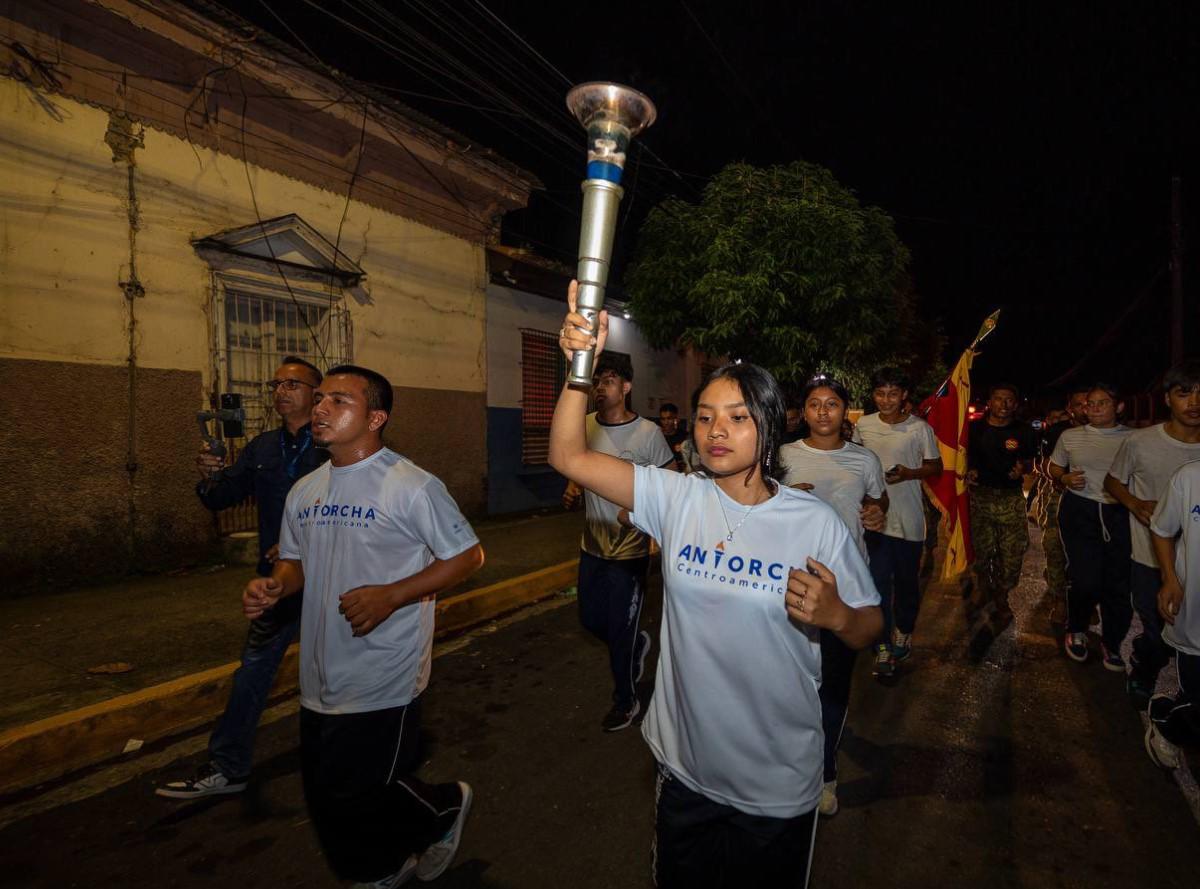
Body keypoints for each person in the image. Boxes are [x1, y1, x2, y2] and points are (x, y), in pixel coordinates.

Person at [550, 287, 880, 889]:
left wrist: (835, 615)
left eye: (736, 417)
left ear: (770, 423)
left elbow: (868, 626)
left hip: (775, 782)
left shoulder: (813, 523)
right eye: (704, 416)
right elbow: (570, 456)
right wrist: (579, 369)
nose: (714, 431)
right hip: (683, 768)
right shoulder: (677, 498)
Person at [243, 365, 484, 886]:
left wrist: (393, 595)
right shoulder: (305, 490)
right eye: (321, 399)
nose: (321, 409)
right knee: (327, 792)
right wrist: (276, 586)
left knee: (361, 789)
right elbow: (294, 561)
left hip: (384, 667)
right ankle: (387, 865)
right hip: (319, 669)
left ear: (376, 417)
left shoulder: (411, 485)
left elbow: (467, 557)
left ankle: (441, 810)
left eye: (339, 400)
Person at [157, 356, 328, 799]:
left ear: (316, 392)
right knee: (252, 672)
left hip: (330, 581)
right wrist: (209, 477)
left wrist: (304, 544)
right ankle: (229, 767)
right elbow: (222, 498)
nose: (281, 390)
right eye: (277, 383)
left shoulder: (336, 445)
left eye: (293, 383)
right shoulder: (262, 448)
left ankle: (346, 758)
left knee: (333, 672)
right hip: (277, 583)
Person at [780, 375, 887, 818]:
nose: (823, 411)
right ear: (802, 412)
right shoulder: (782, 457)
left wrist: (877, 514)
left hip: (845, 590)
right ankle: (784, 764)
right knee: (788, 684)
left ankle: (824, 773)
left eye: (832, 404)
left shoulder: (865, 460)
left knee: (832, 686)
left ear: (847, 412)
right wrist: (786, 496)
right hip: (787, 585)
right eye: (813, 403)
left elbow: (878, 506)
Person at [562, 353, 675, 731]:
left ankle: (625, 700)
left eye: (608, 380)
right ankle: (637, 645)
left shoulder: (648, 434)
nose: (600, 387)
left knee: (620, 631)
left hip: (629, 551)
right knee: (591, 620)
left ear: (626, 387)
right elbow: (578, 463)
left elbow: (671, 481)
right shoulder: (586, 426)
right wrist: (574, 484)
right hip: (591, 545)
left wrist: (648, 514)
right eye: (597, 380)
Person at [1106, 361, 1200, 708]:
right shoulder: (1140, 442)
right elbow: (1112, 481)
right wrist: (1133, 503)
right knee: (1160, 635)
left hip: (1197, 565)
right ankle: (1144, 669)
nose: (1195, 402)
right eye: (1184, 393)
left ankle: (1187, 702)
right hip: (1148, 558)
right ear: (1167, 399)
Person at [854, 368, 942, 677]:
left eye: (893, 393)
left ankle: (904, 629)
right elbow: (856, 463)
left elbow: (935, 467)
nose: (886, 400)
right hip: (874, 518)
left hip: (908, 519)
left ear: (904, 395)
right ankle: (882, 643)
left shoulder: (919, 429)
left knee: (906, 583)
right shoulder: (862, 425)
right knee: (876, 581)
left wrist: (909, 473)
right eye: (880, 393)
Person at [1047, 384, 1132, 667]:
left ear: (1118, 407)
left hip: (1120, 514)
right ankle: (1077, 629)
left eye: (1102, 403)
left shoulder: (1135, 439)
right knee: (1085, 579)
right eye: (1089, 404)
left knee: (1117, 584)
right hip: (1079, 511)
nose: (1094, 408)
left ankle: (1112, 643)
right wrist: (1064, 478)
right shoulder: (1070, 436)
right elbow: (1055, 467)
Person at [966, 383, 1039, 630]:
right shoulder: (973, 429)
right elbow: (962, 457)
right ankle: (983, 586)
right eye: (998, 399)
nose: (1003, 404)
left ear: (1015, 404)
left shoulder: (1025, 431)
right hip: (980, 498)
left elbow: (1030, 461)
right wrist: (970, 471)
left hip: (1010, 499)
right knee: (982, 552)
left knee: (1011, 554)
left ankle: (1002, 597)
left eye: (1009, 400)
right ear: (990, 402)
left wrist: (1024, 468)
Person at [1145, 461, 1200, 768]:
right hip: (1194, 615)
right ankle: (1169, 727)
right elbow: (1162, 528)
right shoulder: (1190, 477)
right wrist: (1169, 578)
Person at [1037, 387, 1090, 628]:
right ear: (1071, 409)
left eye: (1091, 403)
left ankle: (1088, 603)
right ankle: (1060, 599)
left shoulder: (1114, 435)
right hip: (1062, 495)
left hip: (1098, 502)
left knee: (1090, 555)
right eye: (1080, 404)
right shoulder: (1060, 432)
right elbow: (1045, 463)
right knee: (1055, 547)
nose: (1086, 408)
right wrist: (1061, 477)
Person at [660, 402, 689, 471]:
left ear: (676, 419)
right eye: (663, 419)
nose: (666, 422)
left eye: (669, 418)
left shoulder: (684, 436)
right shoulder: (658, 436)